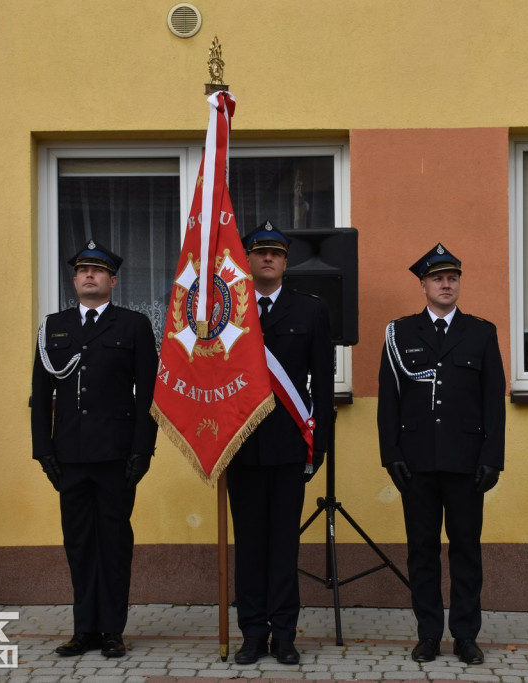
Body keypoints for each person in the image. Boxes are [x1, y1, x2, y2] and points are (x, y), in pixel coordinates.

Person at [377, 243, 506, 666]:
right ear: (423, 285)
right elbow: (388, 401)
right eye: (437, 278)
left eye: (452, 278)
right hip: (416, 462)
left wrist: (493, 456)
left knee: (467, 550)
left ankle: (466, 636)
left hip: (467, 462)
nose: (446, 284)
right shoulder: (400, 333)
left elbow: (493, 402)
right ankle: (429, 634)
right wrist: (389, 453)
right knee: (422, 550)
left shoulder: (481, 332)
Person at [31, 240, 158, 659]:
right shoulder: (53, 326)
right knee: (80, 544)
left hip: (117, 456)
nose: (89, 275)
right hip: (69, 456)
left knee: (115, 543)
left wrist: (143, 449)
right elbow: (40, 393)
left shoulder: (133, 325)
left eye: (98, 271)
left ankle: (112, 632)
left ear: (112, 281)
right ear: (74, 280)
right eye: (83, 270)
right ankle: (83, 629)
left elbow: (148, 395)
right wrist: (42, 450)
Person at [228, 220, 334, 666]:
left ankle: (284, 634)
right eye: (259, 252)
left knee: (283, 545)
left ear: (286, 262)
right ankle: (252, 632)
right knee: (249, 545)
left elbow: (324, 384)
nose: (267, 258)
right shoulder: (226, 312)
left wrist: (319, 445)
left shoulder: (310, 311)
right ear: (247, 261)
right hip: (241, 445)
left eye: (275, 253)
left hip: (291, 446)